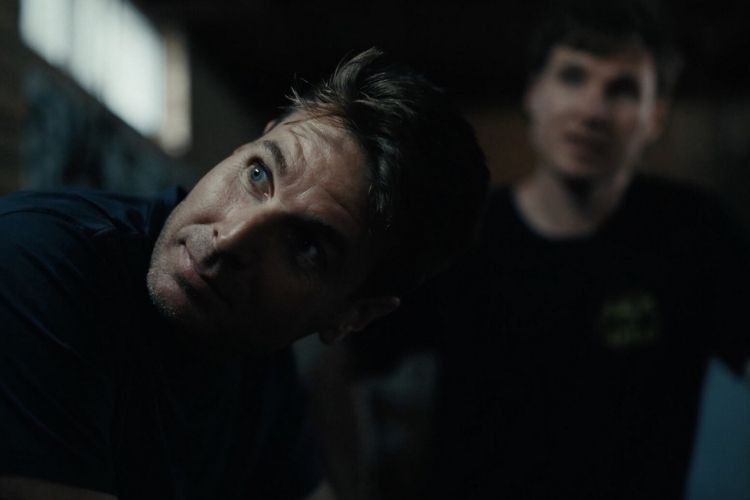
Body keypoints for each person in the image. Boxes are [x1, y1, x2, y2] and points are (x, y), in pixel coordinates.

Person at [0, 48, 489, 500]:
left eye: (306, 247)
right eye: (258, 175)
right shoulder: (40, 261)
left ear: (352, 315)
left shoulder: (259, 367)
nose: (232, 237)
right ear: (245, 147)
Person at [320, 2, 750, 499]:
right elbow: (337, 362)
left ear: (655, 117)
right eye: (572, 77)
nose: (591, 111)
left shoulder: (696, 232)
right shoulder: (462, 232)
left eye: (623, 89)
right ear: (533, 94)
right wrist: (345, 485)